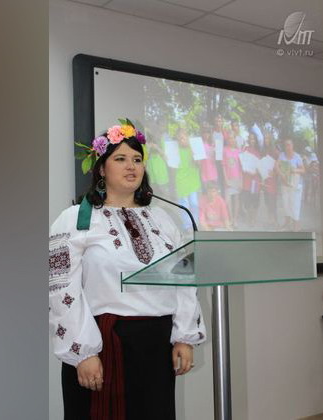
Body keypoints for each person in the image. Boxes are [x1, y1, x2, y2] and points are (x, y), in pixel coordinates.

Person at [49, 120, 206, 420]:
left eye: (137, 159)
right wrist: (83, 352)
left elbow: (184, 280)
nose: (131, 166)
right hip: (103, 345)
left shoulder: (163, 219)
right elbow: (61, 290)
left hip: (157, 345)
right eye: (120, 158)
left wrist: (183, 337)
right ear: (101, 168)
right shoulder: (75, 219)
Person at [276, 139, 306, 231]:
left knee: (295, 204)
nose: (287, 147)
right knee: (286, 204)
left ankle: (296, 224)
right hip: (285, 183)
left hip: (295, 185)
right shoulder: (282, 155)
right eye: (286, 145)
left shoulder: (297, 156)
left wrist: (294, 170)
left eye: (289, 145)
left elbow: (303, 170)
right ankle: (287, 222)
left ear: (292, 146)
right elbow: (276, 166)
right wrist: (281, 174)